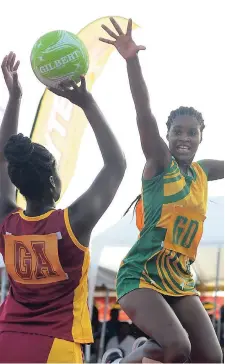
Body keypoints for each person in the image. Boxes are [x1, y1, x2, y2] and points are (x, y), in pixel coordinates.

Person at [100, 18, 223, 363]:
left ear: (201, 137)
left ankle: (142, 353)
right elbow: (144, 115)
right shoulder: (159, 162)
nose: (184, 138)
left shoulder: (203, 171)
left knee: (211, 359)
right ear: (167, 136)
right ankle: (127, 360)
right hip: (142, 276)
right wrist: (131, 60)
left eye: (192, 132)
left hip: (180, 279)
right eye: (177, 132)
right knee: (177, 347)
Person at [0, 52, 126, 363]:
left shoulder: (7, 224)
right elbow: (117, 164)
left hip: (6, 340)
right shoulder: (73, 224)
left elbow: (2, 159)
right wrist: (87, 104)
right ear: (54, 182)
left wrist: (14, 98)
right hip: (57, 345)